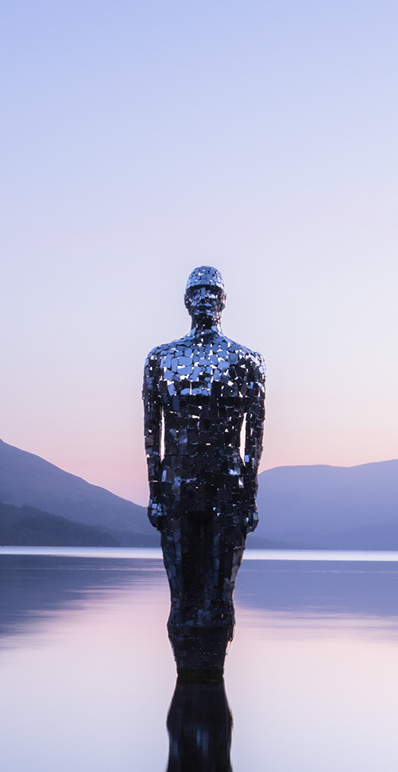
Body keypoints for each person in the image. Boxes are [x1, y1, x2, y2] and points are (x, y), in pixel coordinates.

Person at [143, 266, 265, 677]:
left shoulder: (247, 361)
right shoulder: (160, 360)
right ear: (185, 300)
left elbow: (253, 439)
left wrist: (249, 498)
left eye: (213, 292)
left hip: (226, 484)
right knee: (181, 595)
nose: (205, 299)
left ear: (224, 300)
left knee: (219, 593)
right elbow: (151, 434)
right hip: (176, 481)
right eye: (198, 291)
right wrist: (155, 492)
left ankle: (211, 687)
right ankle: (189, 694)